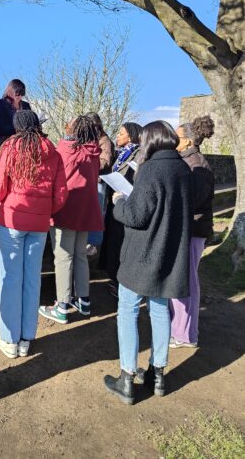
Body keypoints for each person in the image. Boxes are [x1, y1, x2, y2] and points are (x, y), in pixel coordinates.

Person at [103, 121, 193, 405]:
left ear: (151, 140)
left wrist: (119, 201)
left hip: (143, 255)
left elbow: (136, 216)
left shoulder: (150, 169)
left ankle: (127, 377)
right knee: (159, 310)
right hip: (170, 253)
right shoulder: (183, 169)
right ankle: (158, 375)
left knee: (127, 309)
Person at [0, 110, 68, 359]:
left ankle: (10, 339)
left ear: (17, 127)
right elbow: (61, 194)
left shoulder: (9, 148)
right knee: (32, 279)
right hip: (39, 224)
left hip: (12, 220)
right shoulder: (52, 152)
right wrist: (44, 211)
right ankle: (26, 338)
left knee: (10, 279)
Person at [39, 115, 103, 324]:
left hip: (65, 208)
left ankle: (62, 306)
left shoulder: (66, 149)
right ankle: (84, 300)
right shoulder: (93, 152)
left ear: (72, 129)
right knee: (80, 255)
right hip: (86, 209)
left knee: (63, 256)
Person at [169, 115, 215, 349]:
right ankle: (179, 327)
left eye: (176, 138)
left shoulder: (196, 165)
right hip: (188, 228)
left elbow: (193, 201)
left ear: (187, 141)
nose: (172, 141)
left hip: (193, 230)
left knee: (186, 280)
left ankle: (185, 334)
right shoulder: (188, 161)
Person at [99, 121, 142, 295]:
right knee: (112, 240)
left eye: (121, 133)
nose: (117, 136)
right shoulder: (122, 154)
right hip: (114, 201)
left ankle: (119, 282)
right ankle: (112, 277)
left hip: (126, 203)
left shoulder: (138, 154)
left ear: (131, 136)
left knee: (120, 241)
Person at [86, 112, 115, 248]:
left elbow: (105, 160)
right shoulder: (86, 138)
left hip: (99, 180)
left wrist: (88, 162)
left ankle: (94, 244)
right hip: (87, 180)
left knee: (97, 212)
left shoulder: (104, 140)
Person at [0, 79, 32, 159]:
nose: (20, 97)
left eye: (22, 94)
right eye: (17, 94)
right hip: (4, 143)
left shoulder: (26, 105)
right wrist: (17, 130)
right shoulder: (1, 104)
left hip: (24, 143)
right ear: (10, 93)